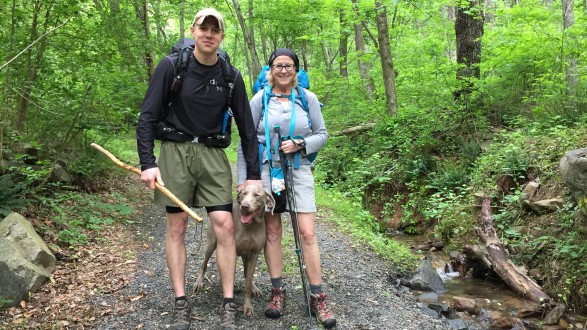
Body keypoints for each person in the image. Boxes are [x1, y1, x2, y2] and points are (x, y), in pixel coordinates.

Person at [136, 8, 262, 330]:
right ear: (194, 31)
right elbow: (148, 116)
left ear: (221, 36)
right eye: (203, 28)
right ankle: (181, 303)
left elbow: (247, 129)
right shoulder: (172, 66)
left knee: (225, 224)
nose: (208, 34)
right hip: (174, 152)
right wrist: (148, 164)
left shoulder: (231, 76)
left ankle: (228, 303)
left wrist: (253, 175)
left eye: (215, 29)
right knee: (176, 227)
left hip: (212, 155)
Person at [236, 48, 336, 328]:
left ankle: (319, 296)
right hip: (267, 172)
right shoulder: (259, 99)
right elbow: (246, 140)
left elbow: (323, 134)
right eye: (278, 66)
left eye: (288, 66)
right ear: (270, 70)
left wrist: (301, 144)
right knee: (273, 231)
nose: (283, 70)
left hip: (299, 170)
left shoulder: (307, 98)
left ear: (296, 70)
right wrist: (246, 179)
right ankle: (277, 291)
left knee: (307, 233)